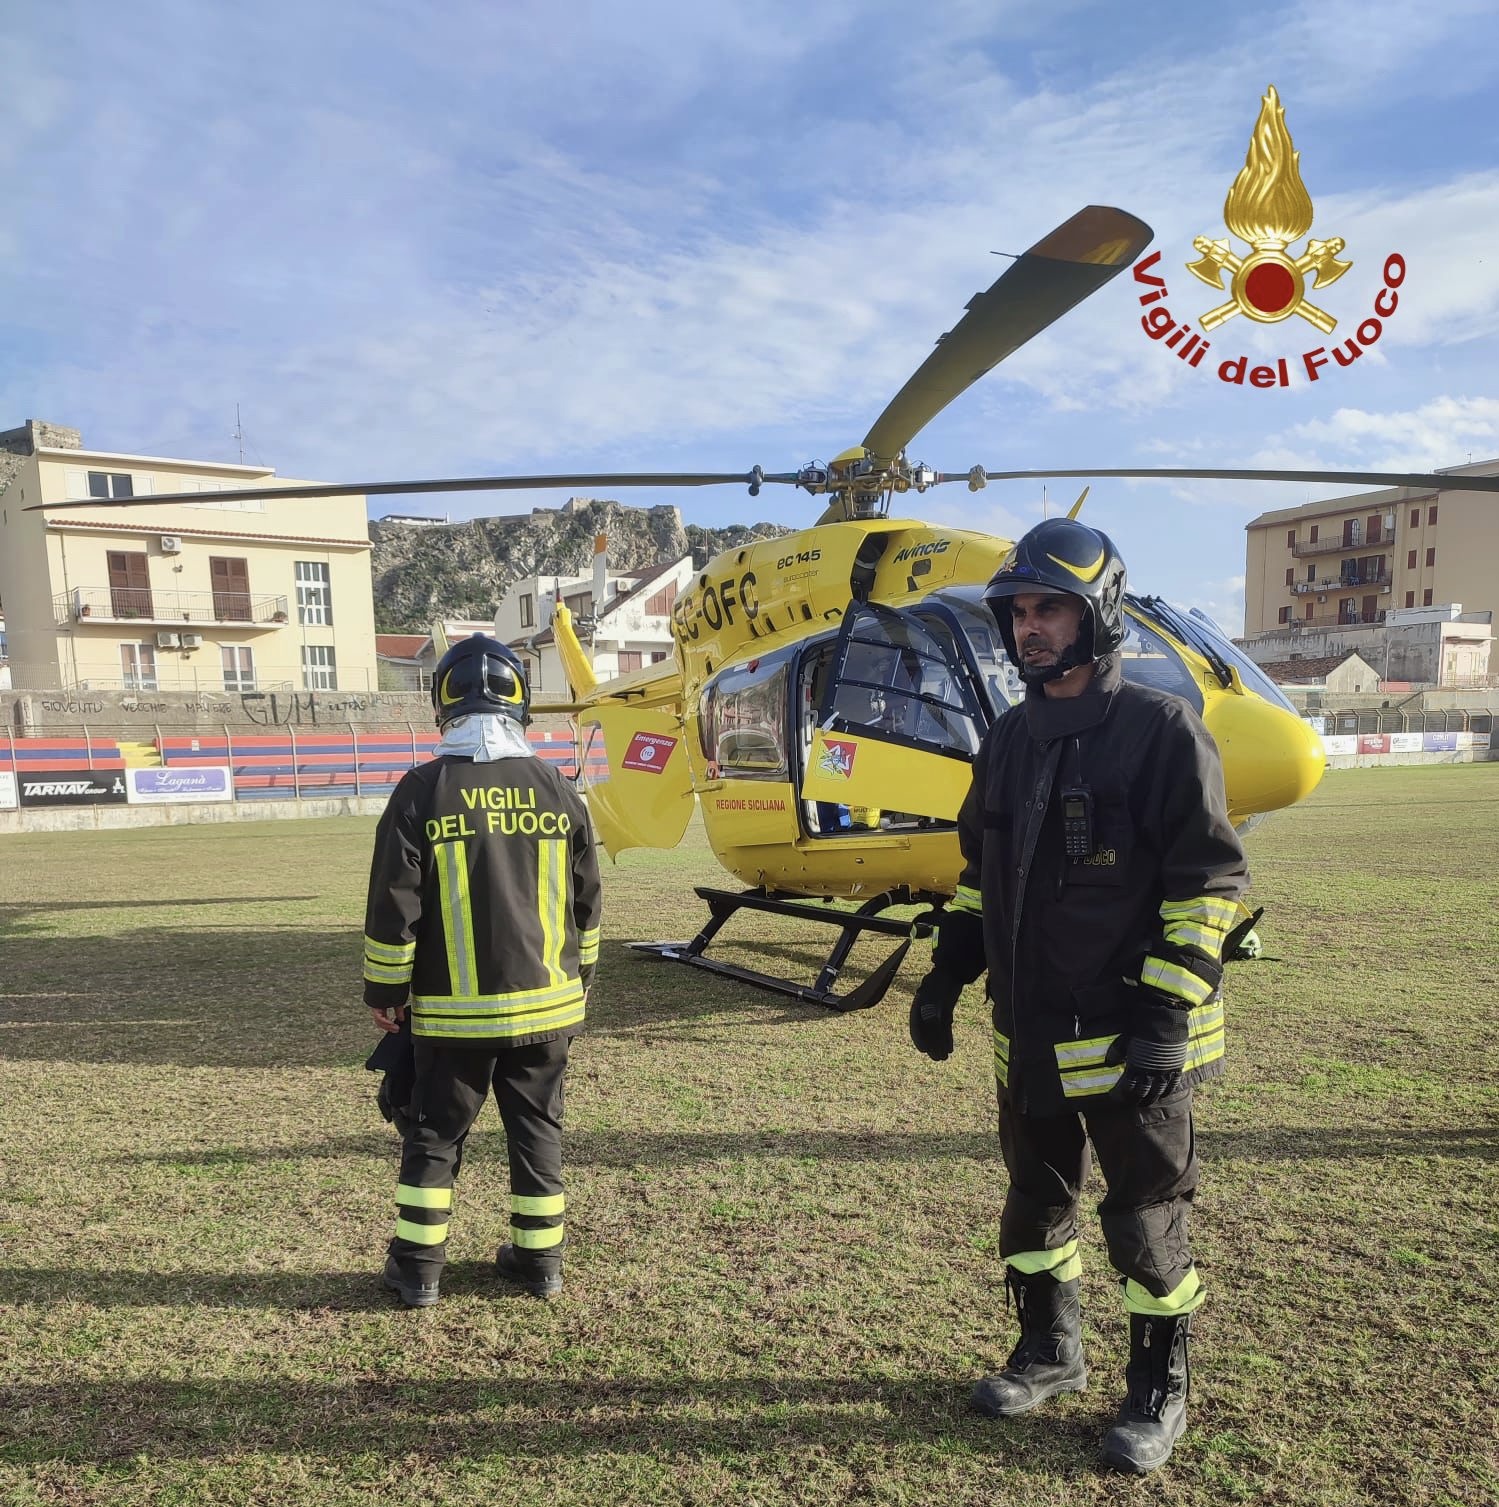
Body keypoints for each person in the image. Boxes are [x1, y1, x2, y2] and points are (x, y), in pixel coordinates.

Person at [908, 518, 1248, 1474]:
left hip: (1131, 1038)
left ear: (1095, 614)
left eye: (1048, 609)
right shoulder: (1008, 739)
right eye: (1018, 612)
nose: (1029, 628)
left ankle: (1157, 1389)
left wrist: (1165, 1016)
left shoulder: (1160, 730)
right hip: (1028, 1033)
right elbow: (979, 877)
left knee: (1144, 1221)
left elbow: (1206, 885)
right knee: (1032, 1206)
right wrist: (945, 974)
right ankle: (1049, 1352)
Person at [362, 635, 601, 1307]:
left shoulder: (421, 790)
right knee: (538, 1131)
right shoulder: (560, 790)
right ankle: (540, 1261)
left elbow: (393, 905)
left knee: (434, 1136)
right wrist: (579, 981)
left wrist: (386, 991)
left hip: (451, 1016)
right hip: (549, 1008)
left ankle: (417, 1269)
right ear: (519, 702)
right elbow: (587, 904)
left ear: (443, 703)